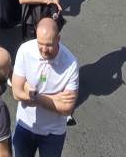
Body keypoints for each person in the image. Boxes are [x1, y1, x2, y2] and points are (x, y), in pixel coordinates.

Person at [11, 16, 78, 157]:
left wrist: (33, 95)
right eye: (40, 43)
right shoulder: (25, 51)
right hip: (25, 126)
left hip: (53, 133)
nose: (44, 50)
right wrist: (54, 99)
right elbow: (16, 93)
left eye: (49, 45)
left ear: (58, 39)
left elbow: (67, 109)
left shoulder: (70, 63)